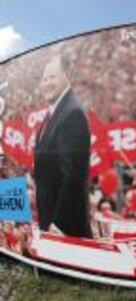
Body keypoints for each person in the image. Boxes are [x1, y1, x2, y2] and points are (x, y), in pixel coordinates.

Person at [34, 54, 92, 238]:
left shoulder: (72, 113)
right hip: (51, 224)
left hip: (64, 231)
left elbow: (73, 176)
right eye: (44, 78)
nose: (46, 83)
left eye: (52, 77)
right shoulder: (56, 111)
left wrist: (58, 225)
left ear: (67, 74)